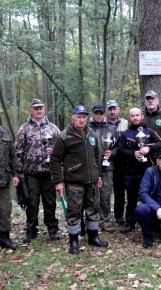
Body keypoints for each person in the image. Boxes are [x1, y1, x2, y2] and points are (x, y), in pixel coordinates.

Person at [50, 105, 107, 254]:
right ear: (73, 118)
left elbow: (96, 157)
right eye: (78, 117)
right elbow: (55, 160)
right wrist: (57, 181)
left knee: (93, 210)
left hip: (92, 181)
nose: (81, 120)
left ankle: (93, 237)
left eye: (84, 117)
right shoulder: (64, 136)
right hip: (74, 181)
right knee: (74, 212)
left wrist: (98, 175)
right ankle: (73, 241)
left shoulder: (92, 134)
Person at [15, 99, 60, 243]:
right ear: (30, 110)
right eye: (36, 108)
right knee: (32, 203)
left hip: (49, 173)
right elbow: (18, 152)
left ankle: (52, 229)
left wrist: (53, 152)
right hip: (31, 173)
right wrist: (19, 172)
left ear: (44, 109)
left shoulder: (53, 128)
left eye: (41, 108)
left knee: (50, 202)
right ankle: (31, 230)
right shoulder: (24, 129)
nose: (39, 111)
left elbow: (61, 149)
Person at [117, 107, 161, 233]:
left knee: (151, 197)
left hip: (148, 171)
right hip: (131, 172)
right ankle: (130, 222)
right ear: (129, 117)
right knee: (131, 199)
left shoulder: (149, 132)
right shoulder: (125, 134)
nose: (135, 118)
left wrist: (149, 149)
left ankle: (154, 222)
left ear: (142, 116)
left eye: (137, 115)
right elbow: (120, 149)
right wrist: (133, 153)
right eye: (132, 116)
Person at [89, 104, 116, 232]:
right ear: (93, 114)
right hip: (91, 167)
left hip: (108, 167)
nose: (99, 115)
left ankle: (105, 220)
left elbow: (118, 146)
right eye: (96, 113)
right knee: (92, 194)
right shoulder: (87, 128)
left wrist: (112, 153)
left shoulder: (111, 128)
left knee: (106, 194)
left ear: (104, 114)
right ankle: (93, 220)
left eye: (101, 113)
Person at [106, 100, 128, 225]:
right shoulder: (103, 123)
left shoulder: (125, 123)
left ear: (118, 109)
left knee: (120, 190)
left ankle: (119, 215)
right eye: (110, 109)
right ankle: (105, 216)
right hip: (106, 161)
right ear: (107, 110)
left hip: (122, 161)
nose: (113, 111)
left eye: (114, 109)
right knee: (106, 190)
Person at [0, 125, 21, 250]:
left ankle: (4, 237)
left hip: (3, 179)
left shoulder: (4, 130)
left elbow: (13, 154)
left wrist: (15, 174)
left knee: (4, 209)